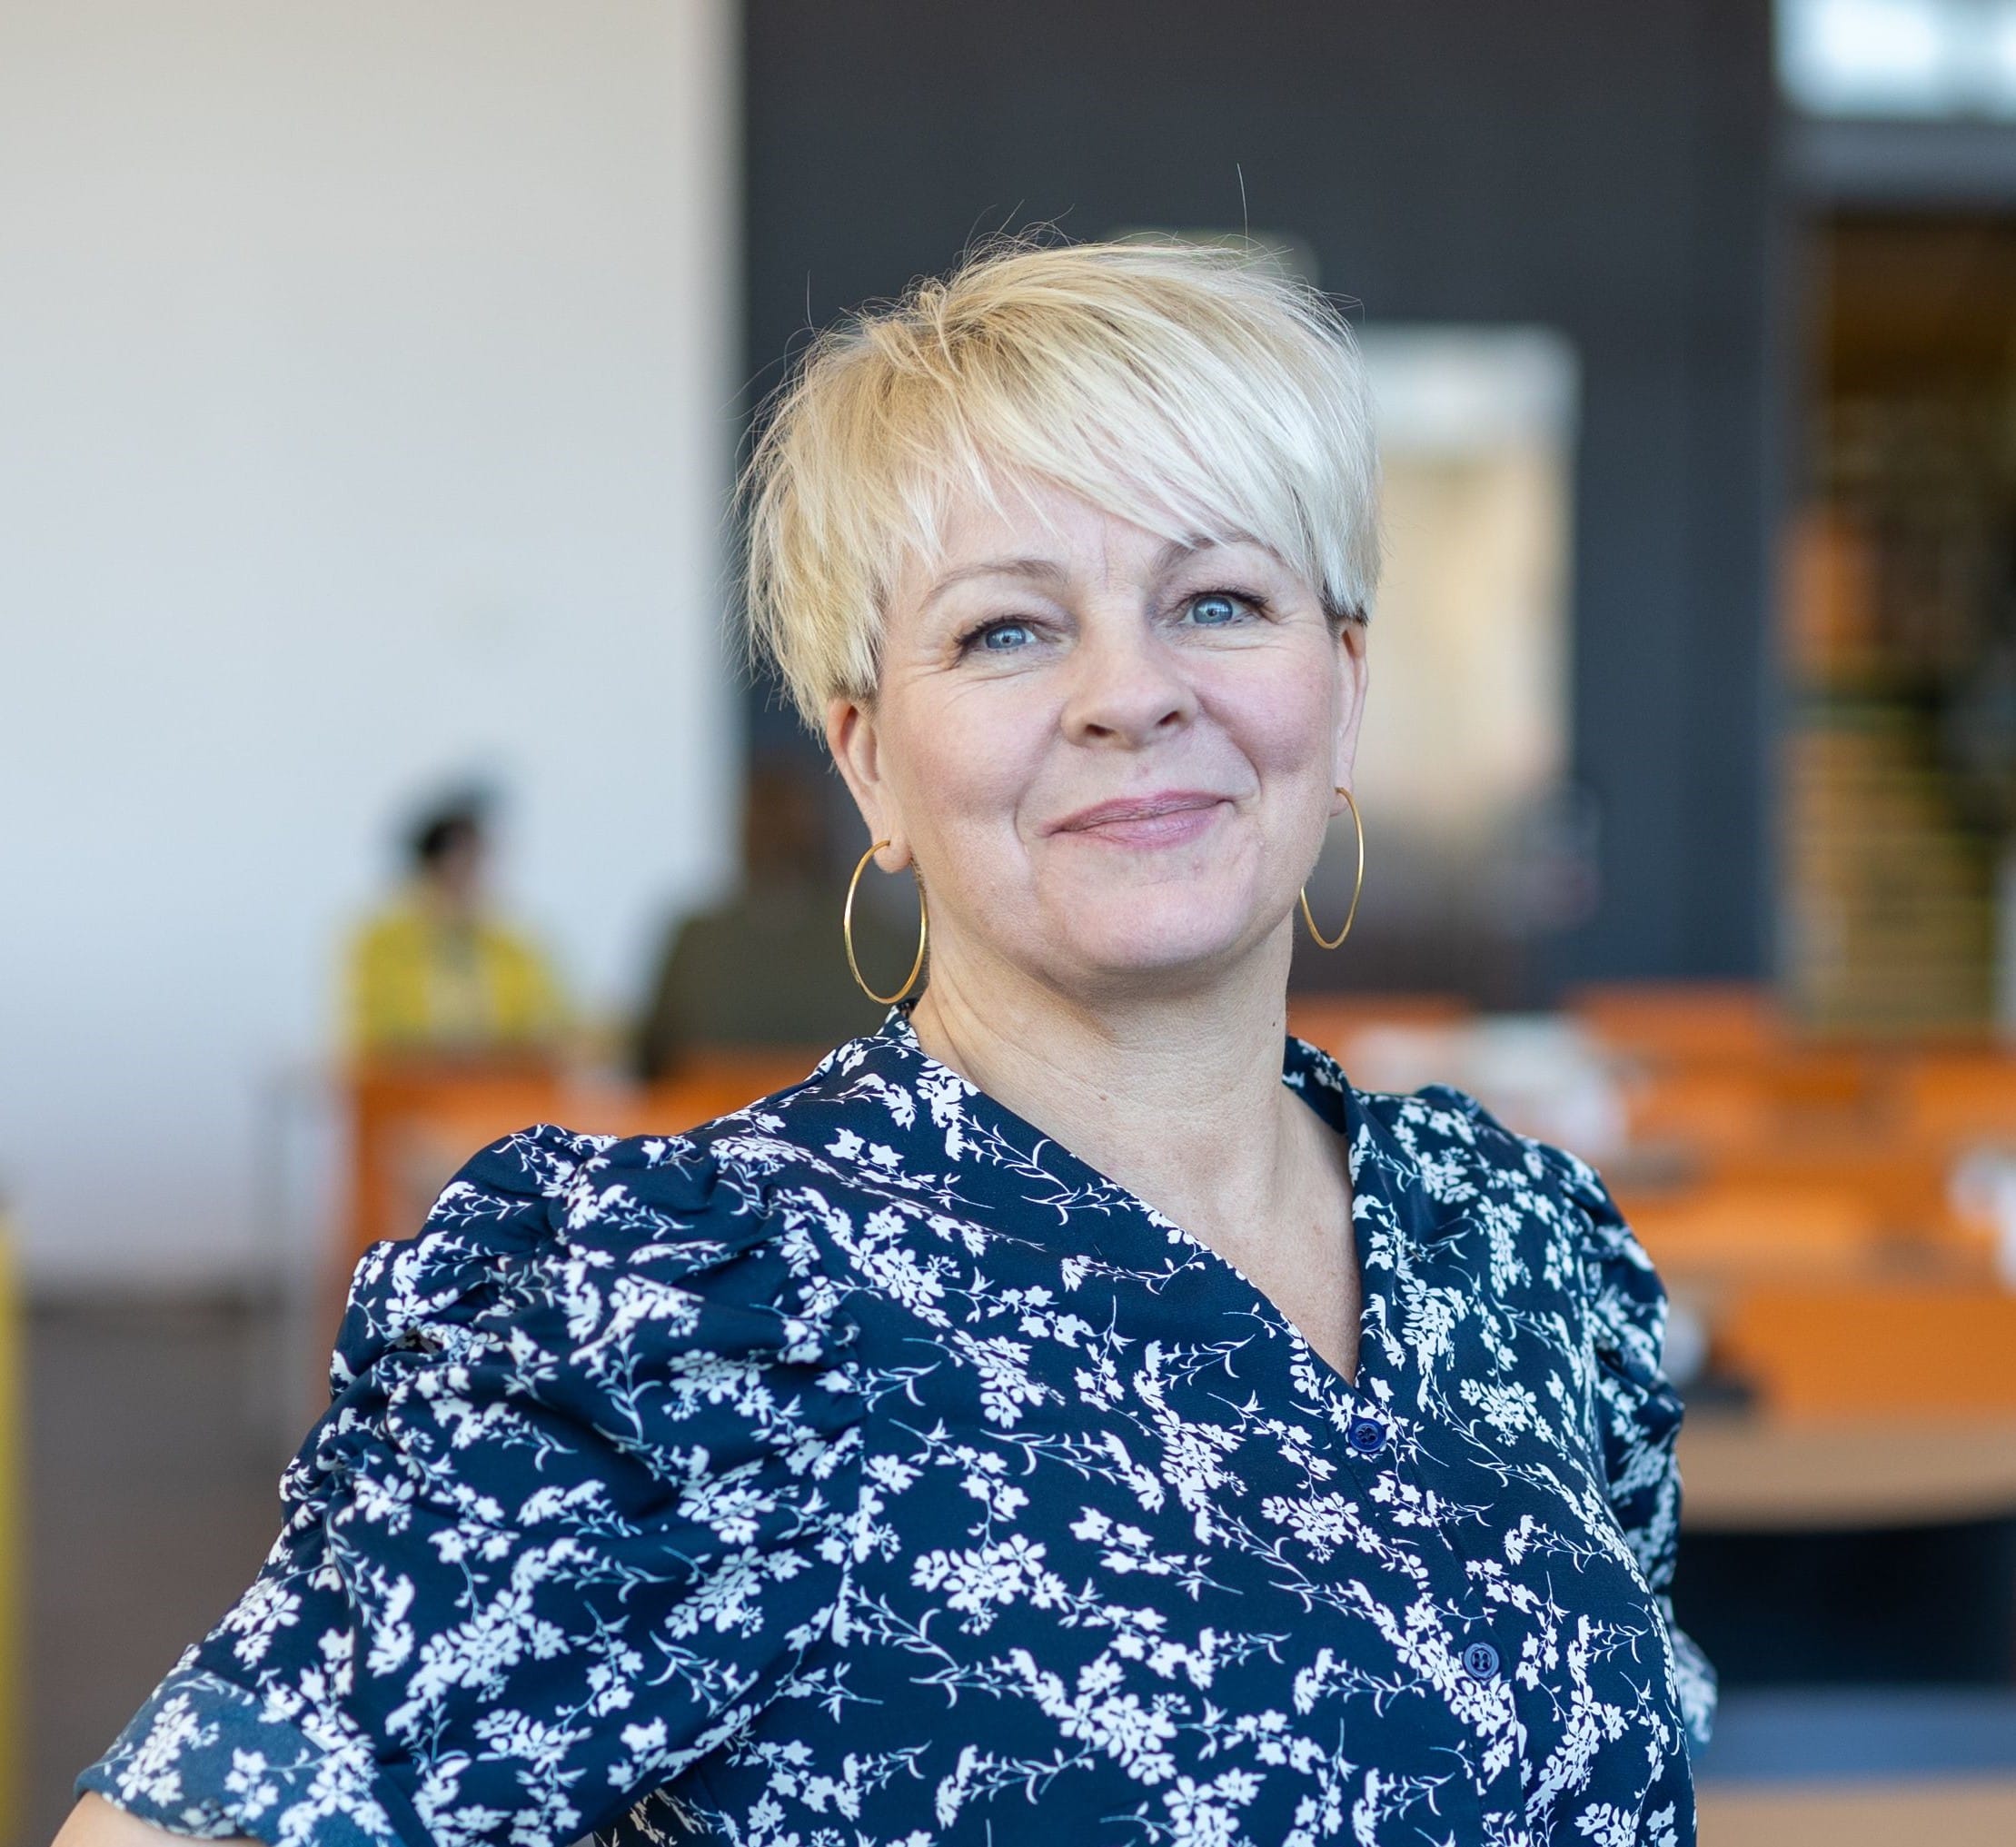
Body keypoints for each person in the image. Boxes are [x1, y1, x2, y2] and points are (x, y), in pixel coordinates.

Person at [65, 239, 1715, 1847]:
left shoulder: (1514, 1246)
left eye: (1216, 600)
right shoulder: (688, 1314)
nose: (1128, 692)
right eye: (1006, 630)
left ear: (1341, 686)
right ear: (867, 759)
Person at [631, 754, 909, 1078]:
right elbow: (651, 1057)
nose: (773, 832)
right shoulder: (697, 938)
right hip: (721, 1100)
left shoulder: (879, 938)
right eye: (765, 819)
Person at [343, 791, 569, 1060]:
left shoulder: (514, 947)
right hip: (412, 1082)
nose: (474, 878)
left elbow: (558, 1023)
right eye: (464, 864)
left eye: (480, 863)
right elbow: (372, 1038)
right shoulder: (383, 944)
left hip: (502, 1081)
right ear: (429, 868)